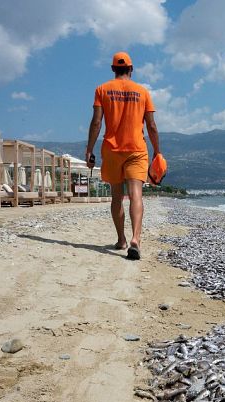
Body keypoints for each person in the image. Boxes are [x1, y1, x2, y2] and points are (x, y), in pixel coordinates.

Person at [86, 51, 161, 260]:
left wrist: (89, 149)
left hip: (112, 149)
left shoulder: (102, 89)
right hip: (137, 149)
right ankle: (136, 239)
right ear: (131, 69)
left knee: (117, 197)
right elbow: (152, 126)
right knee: (136, 194)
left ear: (113, 69)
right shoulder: (143, 92)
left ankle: (121, 239)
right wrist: (158, 151)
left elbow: (96, 122)